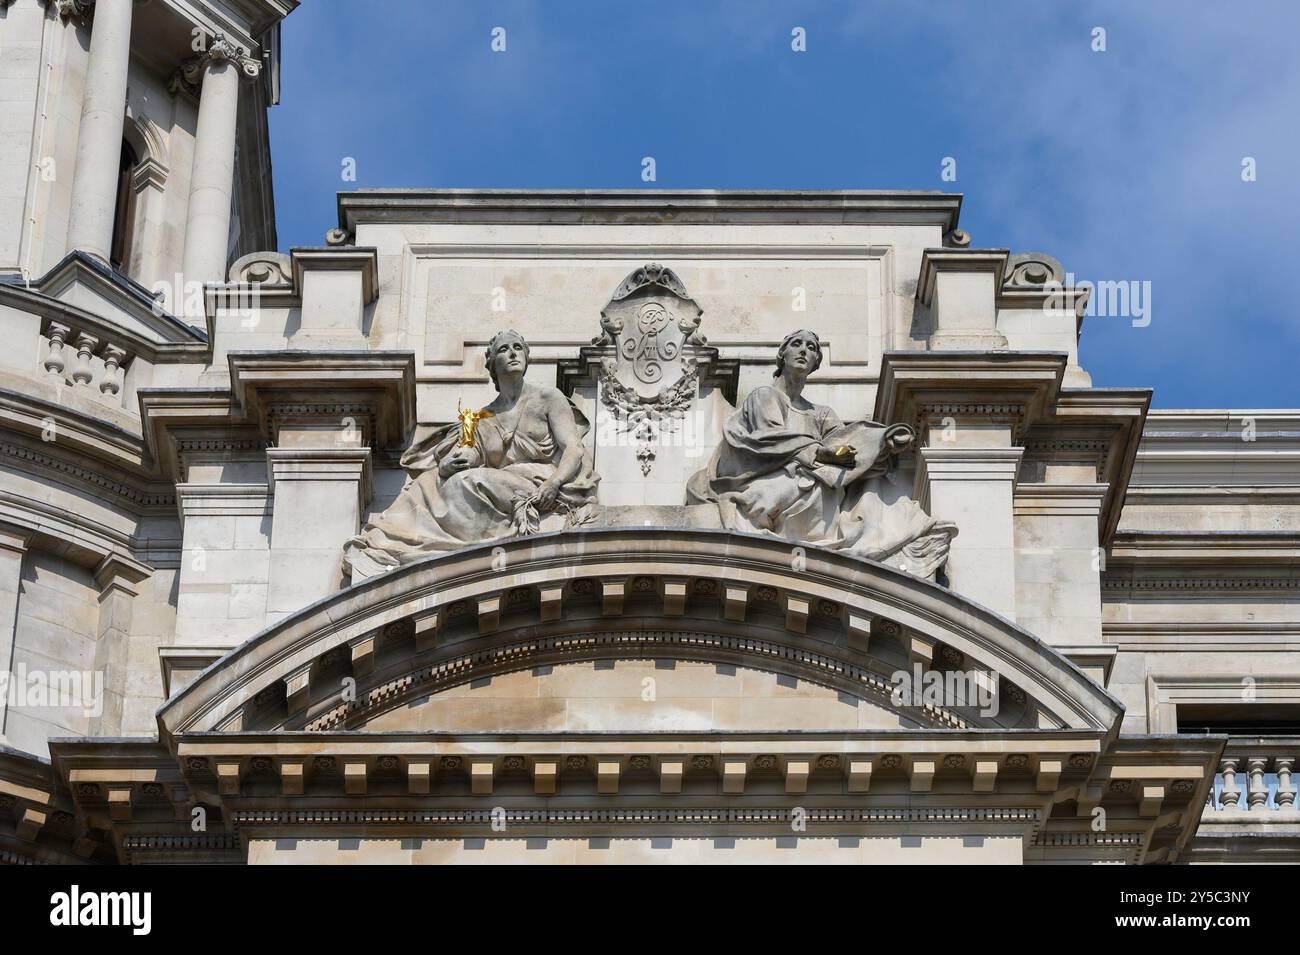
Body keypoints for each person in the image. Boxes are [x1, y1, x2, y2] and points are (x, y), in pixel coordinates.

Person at [688, 329, 955, 577]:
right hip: (772, 479)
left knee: (871, 486)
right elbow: (768, 440)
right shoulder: (764, 396)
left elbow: (845, 444)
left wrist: (882, 441)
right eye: (797, 344)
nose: (804, 350)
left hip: (811, 483)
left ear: (816, 362)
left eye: (812, 348)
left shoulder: (821, 413)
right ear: (782, 355)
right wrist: (820, 454)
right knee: (782, 493)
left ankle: (902, 534)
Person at [343, 330, 598, 577]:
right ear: (492, 366)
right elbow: (468, 453)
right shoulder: (477, 418)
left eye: (518, 348)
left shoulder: (548, 397)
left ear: (527, 358)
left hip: (543, 480)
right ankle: (386, 543)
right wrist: (448, 465)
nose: (512, 354)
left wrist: (553, 484)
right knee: (428, 482)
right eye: (503, 349)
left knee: (472, 481)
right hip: (502, 482)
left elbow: (574, 449)